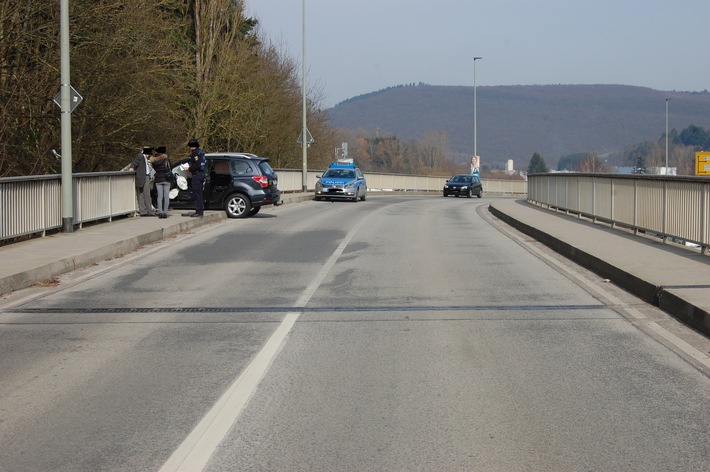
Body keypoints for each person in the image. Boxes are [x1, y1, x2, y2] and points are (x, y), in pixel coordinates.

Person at [127, 146, 155, 216]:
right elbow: (135, 162)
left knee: (141, 194)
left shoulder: (144, 157)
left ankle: (143, 211)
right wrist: (132, 167)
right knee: (146, 194)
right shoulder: (140, 156)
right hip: (143, 177)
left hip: (144, 176)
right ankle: (149, 211)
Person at [185, 139, 206, 217]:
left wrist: (189, 169)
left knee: (197, 194)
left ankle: (199, 211)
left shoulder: (195, 153)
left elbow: (197, 164)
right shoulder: (201, 152)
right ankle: (200, 210)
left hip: (196, 175)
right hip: (201, 174)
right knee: (199, 193)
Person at [150, 146, 171, 218]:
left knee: (159, 197)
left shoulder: (154, 161)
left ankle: (160, 212)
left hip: (158, 179)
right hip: (166, 179)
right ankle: (165, 212)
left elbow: (153, 169)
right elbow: (170, 168)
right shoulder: (166, 159)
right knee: (166, 197)